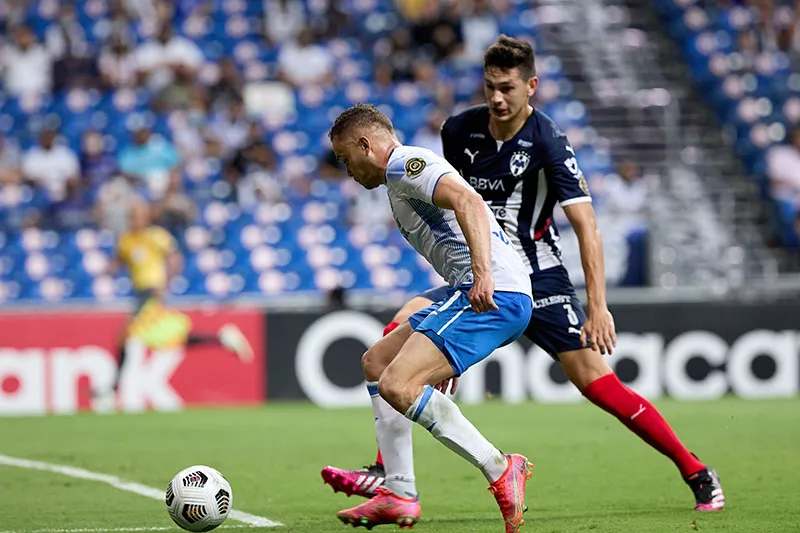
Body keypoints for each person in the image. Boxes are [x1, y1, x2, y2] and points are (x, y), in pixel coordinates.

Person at [322, 36, 724, 513]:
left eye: (508, 88)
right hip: (475, 272)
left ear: (530, 87)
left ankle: (694, 469)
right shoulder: (460, 130)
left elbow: (585, 223)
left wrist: (598, 305)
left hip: (535, 272)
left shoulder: (548, 140)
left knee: (597, 384)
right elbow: (455, 204)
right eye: (490, 86)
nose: (496, 97)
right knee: (395, 339)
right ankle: (393, 476)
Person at [329, 103, 534, 532]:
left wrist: (482, 275)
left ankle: (500, 468)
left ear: (366, 144)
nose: (347, 171)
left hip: (494, 292)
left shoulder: (406, 165)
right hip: (472, 289)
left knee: (398, 384)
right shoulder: (397, 179)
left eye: (346, 158)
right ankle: (399, 494)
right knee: (377, 362)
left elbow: (469, 202)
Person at [94, 201, 253, 409]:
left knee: (126, 335)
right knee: (171, 338)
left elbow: (175, 258)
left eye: (140, 215)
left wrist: (166, 282)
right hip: (138, 294)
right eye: (133, 215)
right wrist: (108, 270)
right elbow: (119, 261)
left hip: (152, 293)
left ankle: (112, 390)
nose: (136, 219)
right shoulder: (126, 240)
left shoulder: (157, 236)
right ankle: (221, 338)